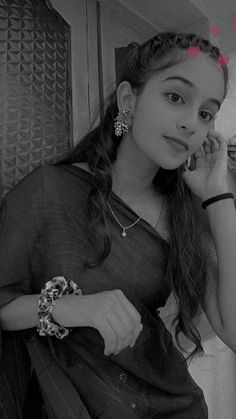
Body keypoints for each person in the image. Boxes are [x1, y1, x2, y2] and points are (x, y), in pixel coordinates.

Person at [0, 31, 236, 419]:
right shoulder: (50, 190)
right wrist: (69, 308)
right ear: (129, 99)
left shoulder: (184, 215)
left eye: (206, 113)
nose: (192, 124)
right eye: (176, 97)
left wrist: (216, 196)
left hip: (174, 408)